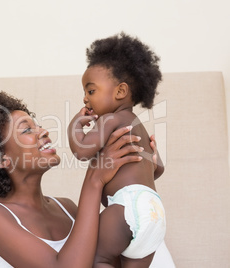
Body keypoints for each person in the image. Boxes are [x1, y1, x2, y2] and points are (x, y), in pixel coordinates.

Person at [0, 91, 156, 268]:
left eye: (37, 124)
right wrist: (94, 179)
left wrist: (141, 171)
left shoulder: (68, 208)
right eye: (27, 130)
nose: (43, 131)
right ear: (1, 158)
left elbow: (114, 261)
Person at [67, 32, 166, 267]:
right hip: (154, 211)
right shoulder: (136, 124)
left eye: (90, 91)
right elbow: (157, 169)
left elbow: (82, 150)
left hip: (127, 206)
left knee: (98, 258)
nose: (84, 99)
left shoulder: (111, 119)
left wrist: (74, 126)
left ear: (120, 92)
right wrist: (154, 158)